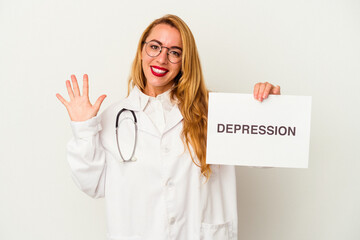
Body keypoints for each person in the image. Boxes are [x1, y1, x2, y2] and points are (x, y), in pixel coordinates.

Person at [56, 14, 280, 240]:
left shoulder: (214, 112)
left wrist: (269, 110)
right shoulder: (114, 118)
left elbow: (266, 157)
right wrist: (83, 128)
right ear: (142, 51)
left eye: (174, 52)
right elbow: (92, 185)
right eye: (155, 47)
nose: (162, 59)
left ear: (185, 61)